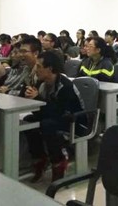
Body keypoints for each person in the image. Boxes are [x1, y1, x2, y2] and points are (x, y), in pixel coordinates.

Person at [24, 51, 85, 182]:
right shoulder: (42, 83)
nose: (36, 70)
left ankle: (58, 161)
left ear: (50, 68)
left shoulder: (65, 86)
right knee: (28, 121)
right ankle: (40, 158)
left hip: (74, 121)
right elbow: (42, 111)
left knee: (48, 124)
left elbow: (59, 113)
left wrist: (38, 99)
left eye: (39, 66)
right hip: (55, 117)